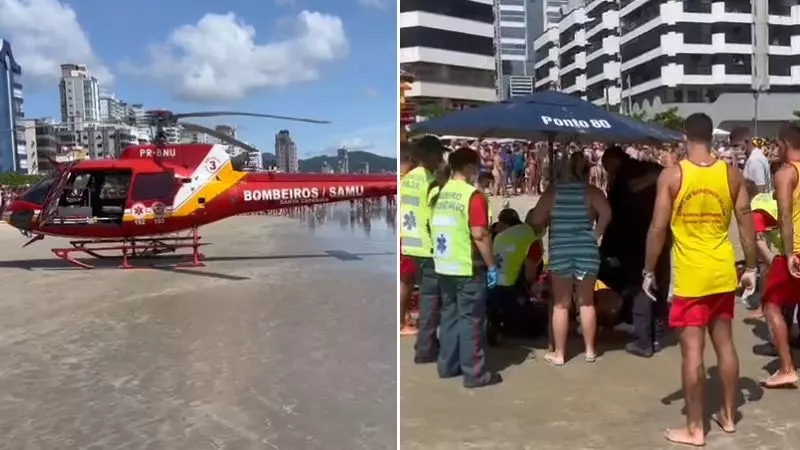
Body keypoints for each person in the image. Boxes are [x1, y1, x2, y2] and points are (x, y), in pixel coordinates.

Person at [643, 113, 757, 446]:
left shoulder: (672, 175)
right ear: (711, 137)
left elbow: (657, 228)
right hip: (722, 273)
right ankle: (728, 415)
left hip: (691, 277)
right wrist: (751, 267)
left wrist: (649, 270)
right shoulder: (731, 175)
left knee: (692, 352)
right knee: (725, 345)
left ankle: (695, 427)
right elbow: (746, 225)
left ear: (684, 136)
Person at [528, 151, 611, 366]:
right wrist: (596, 233)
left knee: (561, 305)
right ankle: (590, 351)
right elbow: (607, 212)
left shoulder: (553, 192)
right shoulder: (591, 192)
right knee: (586, 302)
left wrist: (546, 219)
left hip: (561, 251)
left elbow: (536, 219)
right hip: (587, 250)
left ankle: (559, 353)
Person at [429, 147, 502, 388]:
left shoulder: (440, 193)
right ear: (470, 167)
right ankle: (475, 374)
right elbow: (480, 234)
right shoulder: (472, 196)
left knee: (448, 317)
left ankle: (447, 366)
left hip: (443, 265)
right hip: (467, 267)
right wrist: (492, 266)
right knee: (471, 321)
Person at [600, 145, 670, 358]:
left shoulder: (622, 178)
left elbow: (614, 213)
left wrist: (607, 246)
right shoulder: (652, 169)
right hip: (660, 235)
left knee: (641, 285)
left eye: (607, 167)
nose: (606, 172)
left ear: (614, 161)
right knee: (658, 283)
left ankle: (643, 340)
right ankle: (657, 333)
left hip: (633, 240)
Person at [759, 122, 800, 388]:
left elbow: (784, 215)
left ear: (784, 143)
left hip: (796, 250)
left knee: (770, 304)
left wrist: (788, 254)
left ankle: (786, 368)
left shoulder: (786, 173)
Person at [400, 136, 445, 363]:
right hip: (428, 247)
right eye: (438, 153)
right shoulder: (431, 182)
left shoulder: (407, 179)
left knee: (427, 296)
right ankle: (426, 348)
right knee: (431, 300)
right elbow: (435, 217)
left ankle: (426, 343)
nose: (441, 158)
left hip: (410, 243)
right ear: (427, 155)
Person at [487, 209, 545, 344]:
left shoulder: (497, 235)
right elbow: (529, 276)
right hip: (512, 292)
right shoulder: (531, 239)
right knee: (538, 327)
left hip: (491, 287)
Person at [399, 143, 418, 336]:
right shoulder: (409, 182)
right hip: (407, 235)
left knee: (408, 280)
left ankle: (405, 317)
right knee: (406, 281)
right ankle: (400, 324)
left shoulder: (400, 180)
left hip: (403, 234)